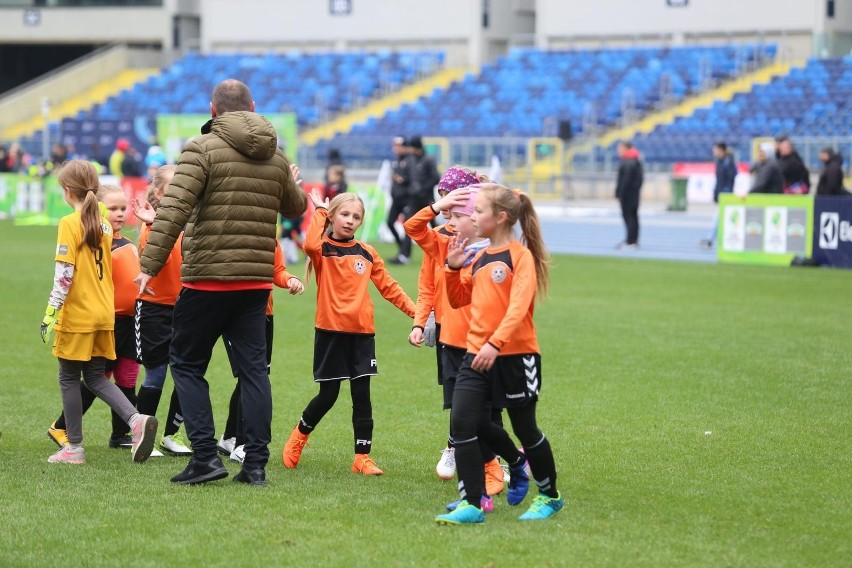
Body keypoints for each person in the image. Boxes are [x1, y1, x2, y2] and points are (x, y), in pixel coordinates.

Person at [135, 79, 307, 486]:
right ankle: (255, 466)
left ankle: (206, 458)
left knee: (187, 365)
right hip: (254, 282)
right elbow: (296, 207)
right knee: (253, 374)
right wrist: (291, 180)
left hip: (207, 279)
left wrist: (148, 263)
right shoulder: (275, 155)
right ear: (253, 106)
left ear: (214, 110)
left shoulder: (201, 149)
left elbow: (174, 207)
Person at [435, 183, 563, 525]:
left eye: (478, 211)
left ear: (501, 217)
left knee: (526, 430)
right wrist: (451, 267)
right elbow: (460, 300)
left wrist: (496, 343)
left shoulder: (520, 256)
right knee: (463, 421)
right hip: (475, 354)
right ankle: (472, 505)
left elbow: (519, 308)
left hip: (515, 356)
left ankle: (550, 497)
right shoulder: (476, 256)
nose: (472, 217)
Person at [282, 191, 416, 476]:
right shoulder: (323, 250)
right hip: (331, 333)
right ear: (333, 216)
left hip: (362, 334)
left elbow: (390, 288)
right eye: (344, 214)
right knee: (328, 395)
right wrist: (320, 210)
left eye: (356, 217)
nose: (350, 221)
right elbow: (308, 243)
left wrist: (418, 314)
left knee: (362, 396)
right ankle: (298, 437)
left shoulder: (367, 253)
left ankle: (362, 457)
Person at [40, 160, 158, 464]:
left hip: (78, 313)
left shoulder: (70, 222)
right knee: (95, 376)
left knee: (68, 377)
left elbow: (65, 274)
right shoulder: (104, 224)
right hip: (104, 313)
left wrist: (51, 310)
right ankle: (135, 421)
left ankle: (74, 447)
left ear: (68, 191)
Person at [404, 175, 509, 510]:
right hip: (451, 339)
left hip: (486, 340)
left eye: (456, 206)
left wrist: (488, 190)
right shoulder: (438, 241)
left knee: (490, 410)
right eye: (445, 204)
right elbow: (413, 231)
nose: (449, 213)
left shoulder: (492, 244)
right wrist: (421, 322)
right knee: (463, 412)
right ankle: (481, 470)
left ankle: (499, 464)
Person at [218, 238, 304, 464]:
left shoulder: (272, 241)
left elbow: (278, 271)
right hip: (231, 313)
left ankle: (229, 438)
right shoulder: (232, 232)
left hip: (263, 316)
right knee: (250, 377)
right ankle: (241, 444)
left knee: (254, 376)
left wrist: (290, 279)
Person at [131, 165, 191, 458]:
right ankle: (142, 438)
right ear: (158, 193)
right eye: (173, 187)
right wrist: (157, 226)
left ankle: (171, 435)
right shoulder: (150, 226)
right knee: (155, 376)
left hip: (185, 309)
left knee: (186, 374)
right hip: (154, 310)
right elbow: (160, 260)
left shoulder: (188, 225)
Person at [393, 135, 441, 265]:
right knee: (409, 224)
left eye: (411, 147)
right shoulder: (412, 160)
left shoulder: (428, 160)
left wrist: (423, 188)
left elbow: (436, 178)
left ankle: (443, 249)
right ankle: (405, 255)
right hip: (414, 199)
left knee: (435, 227)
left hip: (426, 199)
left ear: (416, 148)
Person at [699, 142, 738, 250]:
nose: (714, 151)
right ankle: (716, 240)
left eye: (715, 149)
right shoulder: (719, 161)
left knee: (718, 218)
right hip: (720, 193)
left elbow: (731, 178)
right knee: (721, 219)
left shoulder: (728, 162)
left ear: (721, 149)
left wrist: (727, 191)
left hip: (725, 194)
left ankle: (710, 239)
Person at [386, 135, 412, 262]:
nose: (396, 148)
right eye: (395, 145)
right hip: (396, 199)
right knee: (390, 222)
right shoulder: (397, 161)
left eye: (398, 145)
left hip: (406, 199)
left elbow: (413, 179)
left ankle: (405, 255)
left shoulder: (410, 161)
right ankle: (402, 248)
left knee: (407, 226)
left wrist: (403, 180)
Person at [615, 141, 643, 249]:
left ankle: (630, 241)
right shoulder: (635, 161)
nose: (618, 151)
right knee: (633, 217)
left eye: (620, 148)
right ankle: (632, 240)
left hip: (628, 195)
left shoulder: (628, 162)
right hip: (634, 194)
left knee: (629, 217)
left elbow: (625, 180)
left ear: (626, 148)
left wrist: (620, 193)